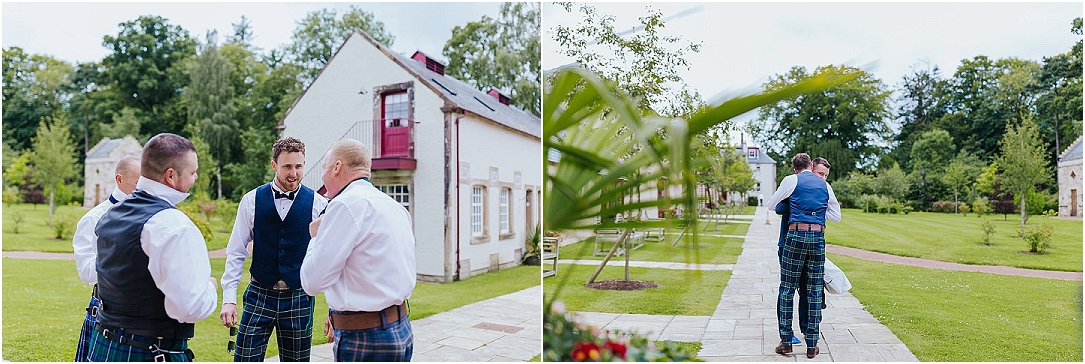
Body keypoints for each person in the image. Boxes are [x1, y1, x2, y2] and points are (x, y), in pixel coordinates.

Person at [87, 133, 218, 362]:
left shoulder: (110, 215)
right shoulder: (173, 225)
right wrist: (210, 288)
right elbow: (188, 308)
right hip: (150, 351)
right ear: (171, 175)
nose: (196, 177)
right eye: (192, 172)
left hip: (105, 346)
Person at [300, 139, 416, 362]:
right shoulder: (394, 207)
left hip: (365, 338)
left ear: (336, 167)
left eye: (324, 168)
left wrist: (316, 235)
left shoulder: (344, 205)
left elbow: (311, 282)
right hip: (400, 329)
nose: (323, 176)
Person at [219, 137, 328, 361]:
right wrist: (229, 299)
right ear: (274, 165)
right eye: (287, 166)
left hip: (299, 297)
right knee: (245, 358)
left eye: (299, 166)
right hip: (259, 295)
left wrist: (335, 309)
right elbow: (236, 251)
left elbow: (330, 258)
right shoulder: (251, 201)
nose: (294, 173)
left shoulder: (319, 204)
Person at [764, 153, 841, 358]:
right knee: (815, 289)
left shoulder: (792, 180)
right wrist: (815, 211)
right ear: (810, 166)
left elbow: (772, 205)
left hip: (795, 235)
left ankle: (786, 341)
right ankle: (812, 344)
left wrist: (795, 203)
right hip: (818, 238)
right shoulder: (825, 186)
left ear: (796, 168)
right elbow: (836, 216)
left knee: (787, 288)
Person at [72, 156, 140, 362]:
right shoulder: (94, 218)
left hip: (144, 315)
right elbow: (86, 272)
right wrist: (122, 259)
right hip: (106, 308)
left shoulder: (155, 218)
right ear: (119, 179)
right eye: (137, 182)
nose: (143, 188)